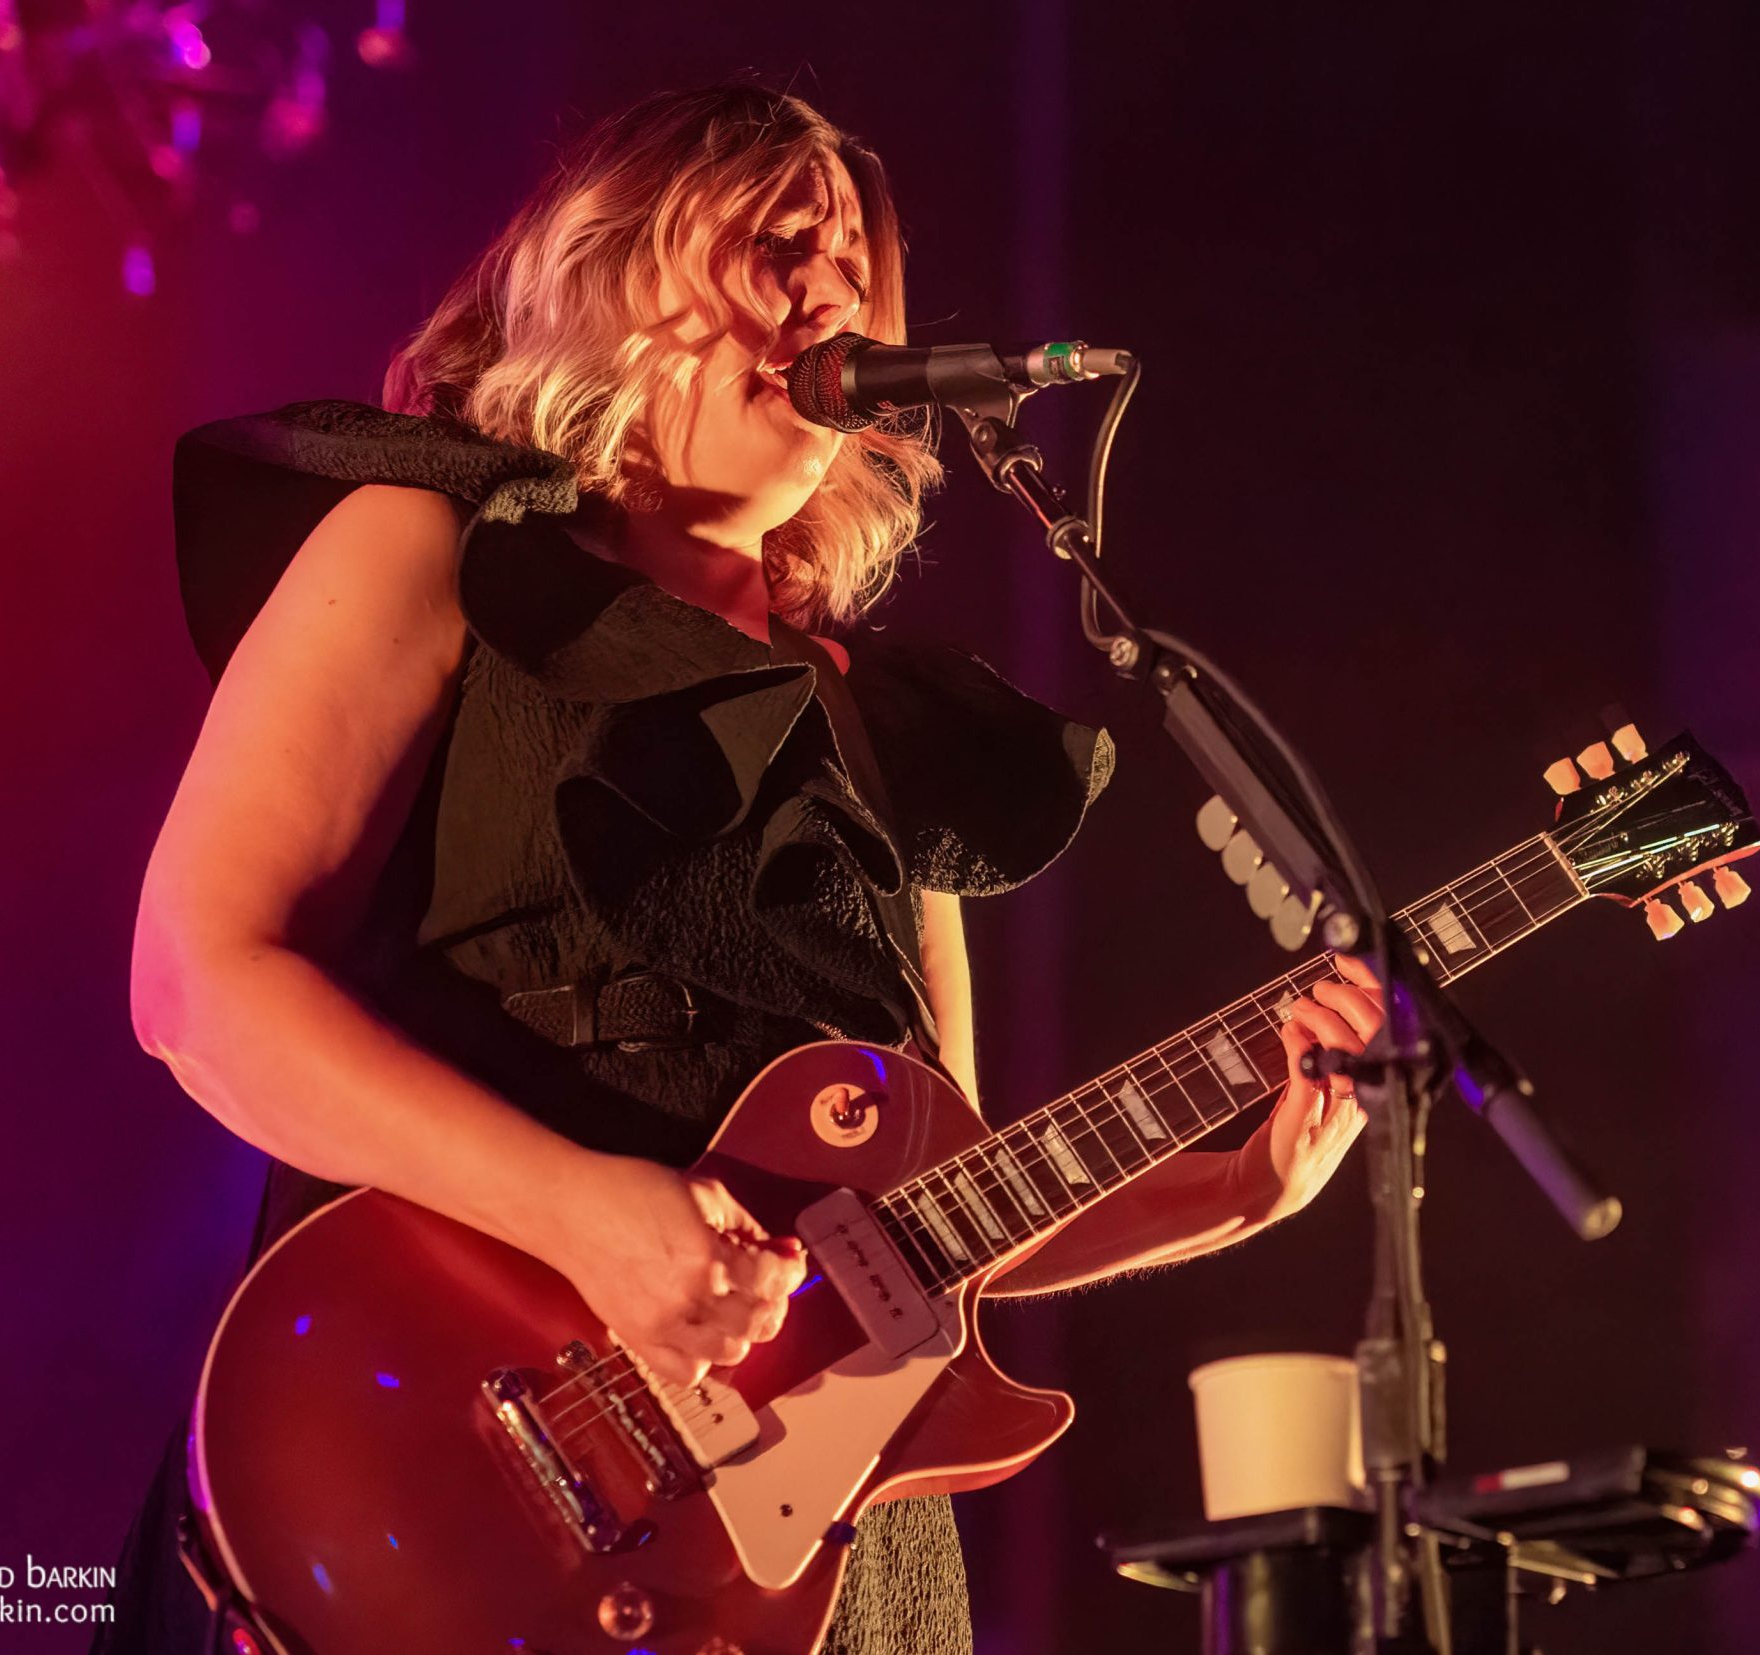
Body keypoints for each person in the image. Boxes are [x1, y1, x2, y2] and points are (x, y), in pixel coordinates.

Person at [101, 82, 1381, 1654]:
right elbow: (199, 986)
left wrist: (1243, 1185)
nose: (833, 292)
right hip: (446, 1483)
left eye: (855, 266)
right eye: (781, 246)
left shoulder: (877, 723)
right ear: (607, 269)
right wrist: (585, 1217)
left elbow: (937, 1211)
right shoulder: (429, 546)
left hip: (819, 1563)